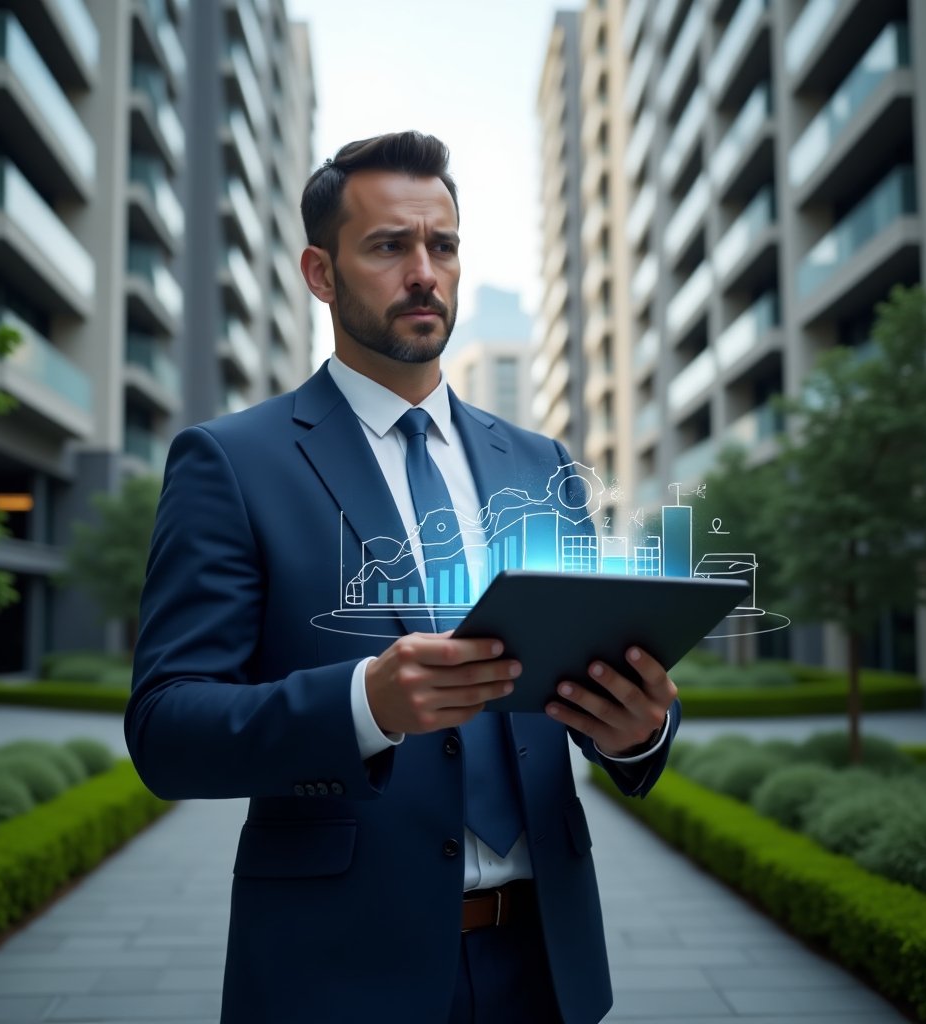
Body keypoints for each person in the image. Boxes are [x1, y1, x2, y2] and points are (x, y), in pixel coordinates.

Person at [126, 131, 680, 1024]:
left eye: (444, 245)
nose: (425, 271)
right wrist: (364, 705)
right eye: (389, 246)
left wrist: (638, 730)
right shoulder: (229, 462)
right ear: (320, 272)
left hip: (548, 965)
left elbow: (593, 679)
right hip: (336, 971)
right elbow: (165, 727)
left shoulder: (543, 466)